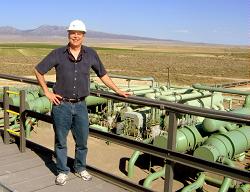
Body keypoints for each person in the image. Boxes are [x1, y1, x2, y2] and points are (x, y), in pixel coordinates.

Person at [34, 19, 130, 186]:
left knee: (82, 141)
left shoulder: (91, 54)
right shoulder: (58, 53)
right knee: (61, 141)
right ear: (68, 34)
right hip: (61, 104)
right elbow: (38, 70)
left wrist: (118, 90)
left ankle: (79, 168)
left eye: (79, 33)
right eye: (73, 33)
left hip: (81, 105)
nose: (75, 36)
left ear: (83, 35)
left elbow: (103, 75)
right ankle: (62, 171)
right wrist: (47, 92)